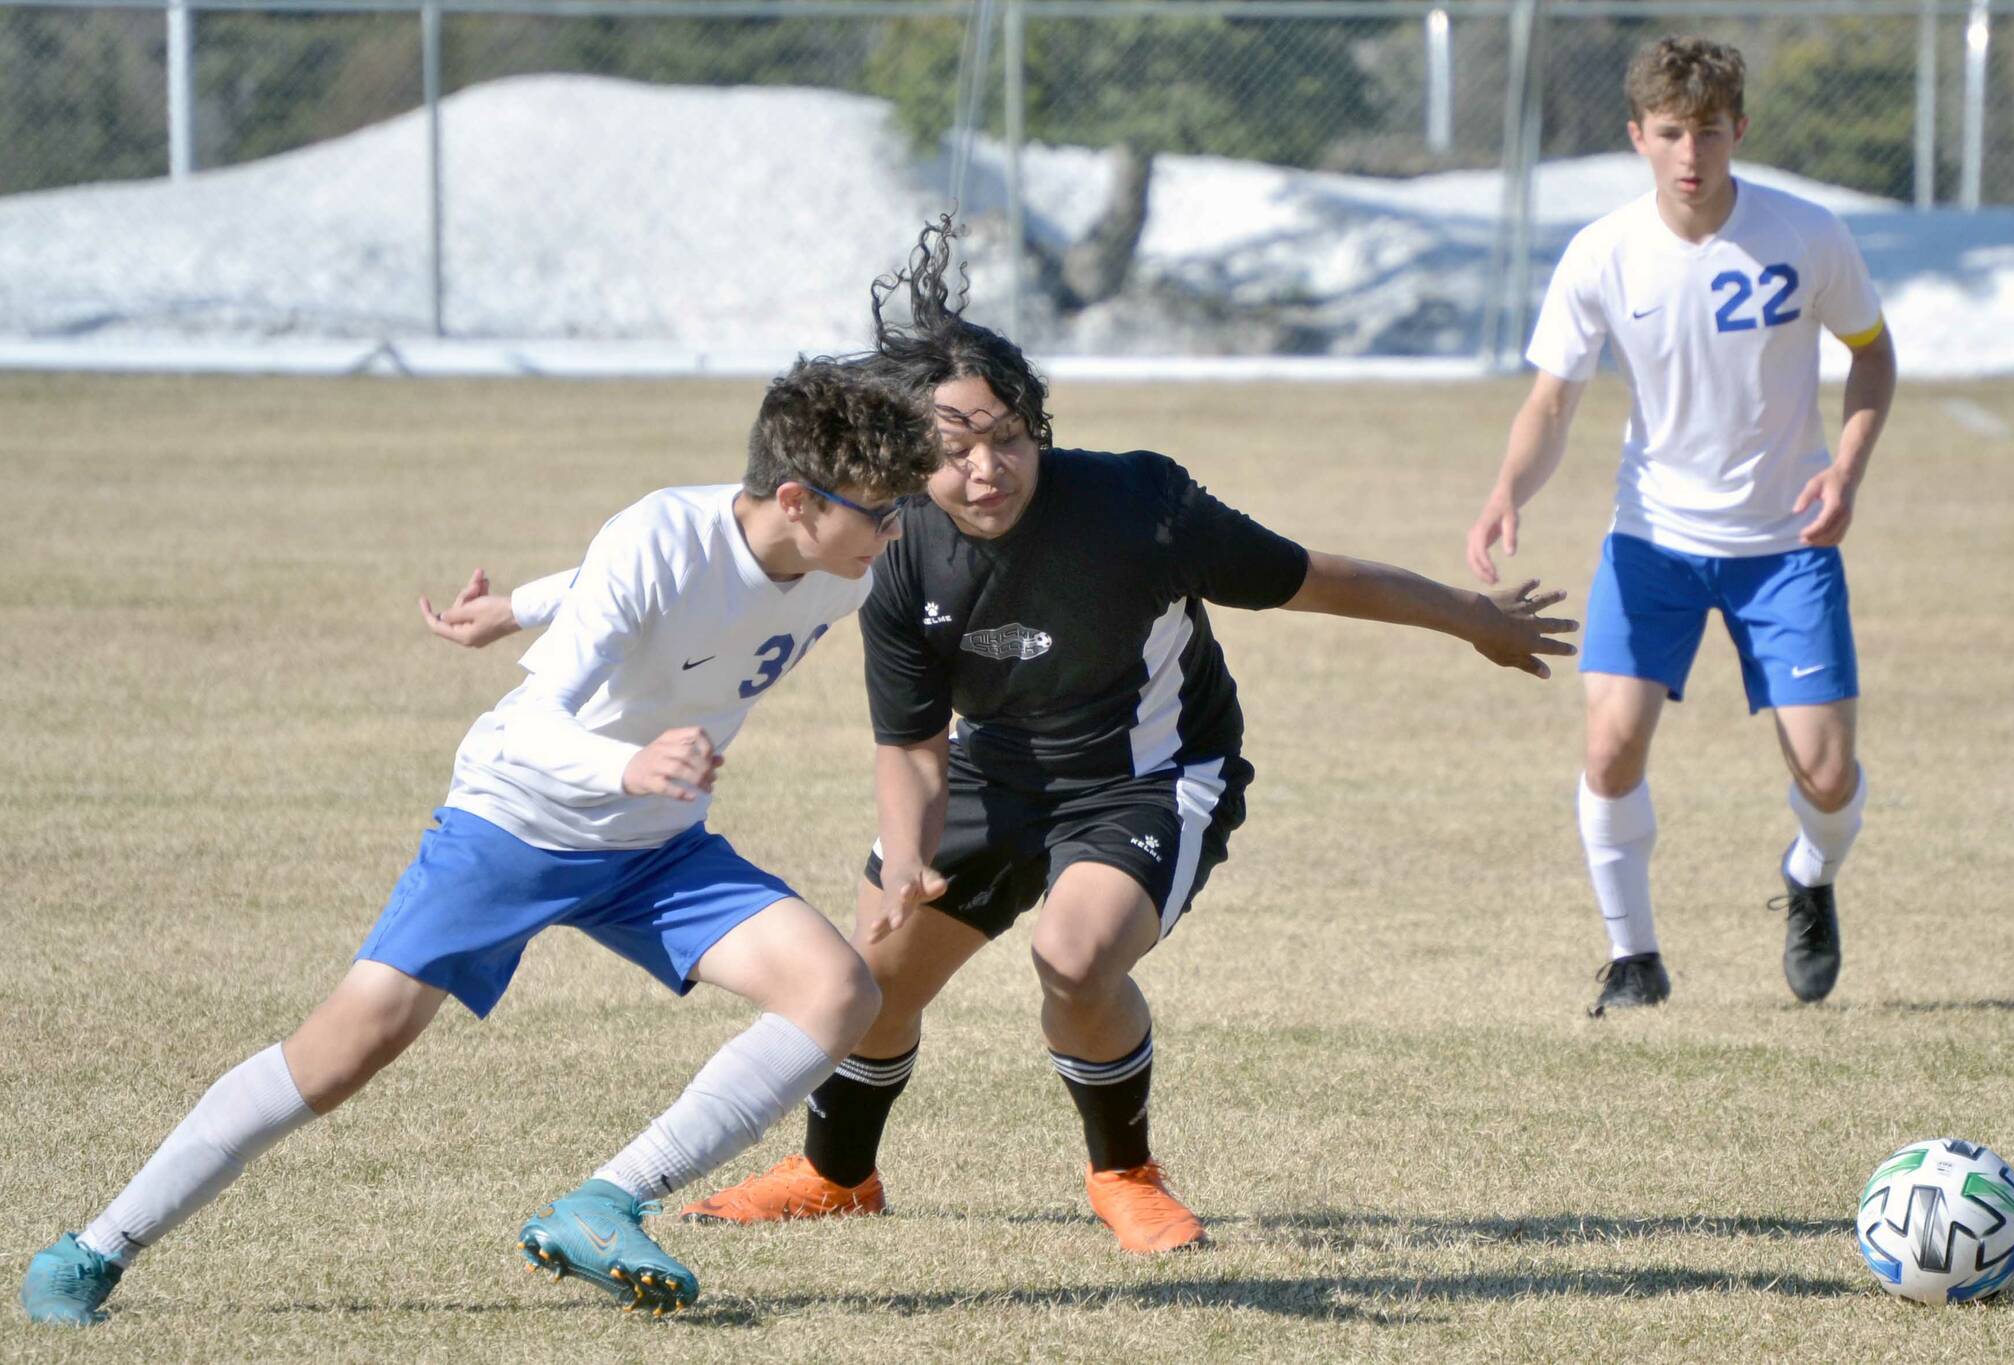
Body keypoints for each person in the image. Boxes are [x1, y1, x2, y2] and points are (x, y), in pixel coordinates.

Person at [472, 220, 1578, 1254]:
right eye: (951, 452)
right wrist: (903, 857)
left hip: (1147, 774)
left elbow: (1309, 578)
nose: (984, 470)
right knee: (874, 974)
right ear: (908, 460)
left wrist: (1470, 617)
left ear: (1037, 429)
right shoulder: (892, 551)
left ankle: (1122, 1174)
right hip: (991, 771)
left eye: (1005, 439)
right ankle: (837, 1176)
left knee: (1074, 952)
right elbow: (904, 737)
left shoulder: (1137, 507)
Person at [18, 358, 941, 1327]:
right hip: (517, 819)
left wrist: (518, 606)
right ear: (796, 499)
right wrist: (622, 767)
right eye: (879, 512)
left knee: (838, 991)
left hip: (655, 844)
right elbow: (536, 721)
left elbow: (612, 588)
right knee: (345, 1050)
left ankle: (604, 1203)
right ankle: (92, 1250)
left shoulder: (837, 566)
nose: (892, 534)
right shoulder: (660, 533)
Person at [1464, 36, 1896, 1017]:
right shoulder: (1601, 253)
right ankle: (1633, 959)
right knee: (1609, 746)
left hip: (1786, 545)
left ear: (1736, 129)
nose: (1688, 153)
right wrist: (1506, 491)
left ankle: (1809, 877)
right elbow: (1549, 404)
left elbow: (1871, 357)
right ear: (1637, 138)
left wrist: (1846, 469)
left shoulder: (1806, 233)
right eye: (1669, 133)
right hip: (1650, 537)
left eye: (1706, 130)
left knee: (1825, 778)